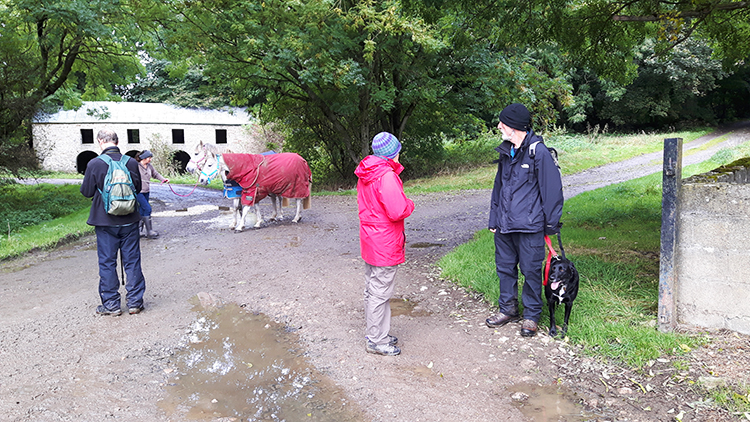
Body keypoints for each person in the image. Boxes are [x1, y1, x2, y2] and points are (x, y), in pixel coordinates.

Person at [485, 103, 564, 337]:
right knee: (505, 269)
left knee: (530, 271)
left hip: (530, 227)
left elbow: (552, 191)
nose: (499, 126)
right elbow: (498, 188)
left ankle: (531, 315)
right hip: (505, 225)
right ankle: (507, 309)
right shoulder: (506, 151)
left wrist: (550, 225)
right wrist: (494, 219)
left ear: (515, 126)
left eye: (503, 123)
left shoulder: (538, 152)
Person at [355, 132, 415, 356]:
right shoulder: (386, 175)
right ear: (393, 152)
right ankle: (376, 340)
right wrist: (410, 203)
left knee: (372, 289)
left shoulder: (367, 173)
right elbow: (398, 210)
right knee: (380, 291)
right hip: (385, 241)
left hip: (371, 239)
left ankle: (377, 333)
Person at [80, 129, 147, 316]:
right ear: (117, 141)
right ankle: (135, 302)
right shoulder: (131, 162)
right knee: (132, 260)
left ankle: (112, 305)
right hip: (130, 220)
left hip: (105, 221)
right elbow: (138, 188)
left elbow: (86, 192)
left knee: (107, 262)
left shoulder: (94, 163)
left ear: (100, 141)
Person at [135, 150, 169, 239]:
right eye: (149, 158)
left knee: (142, 210)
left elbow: (155, 174)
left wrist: (163, 179)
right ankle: (149, 231)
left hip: (146, 191)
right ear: (144, 158)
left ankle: (138, 231)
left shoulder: (149, 166)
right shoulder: (136, 166)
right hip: (138, 192)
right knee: (147, 208)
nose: (150, 159)